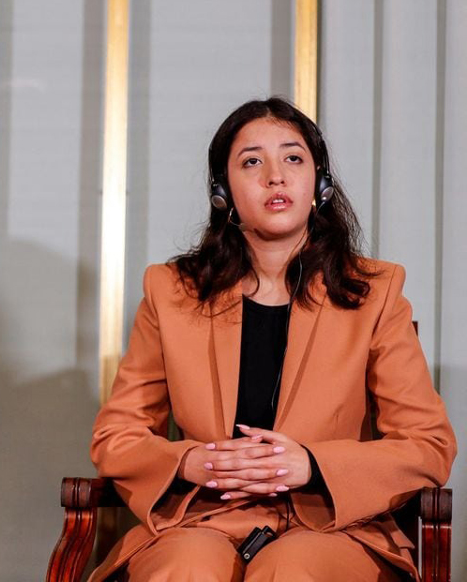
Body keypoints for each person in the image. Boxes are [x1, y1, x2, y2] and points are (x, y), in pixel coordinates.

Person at [89, 97, 456, 581]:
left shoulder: (375, 292)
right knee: (187, 569)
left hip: (333, 527)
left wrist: (312, 464)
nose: (275, 176)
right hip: (205, 520)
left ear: (319, 182)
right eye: (251, 162)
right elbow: (117, 437)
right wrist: (193, 461)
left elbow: (427, 444)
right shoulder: (172, 291)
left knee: (292, 569)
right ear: (223, 190)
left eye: (293, 158)